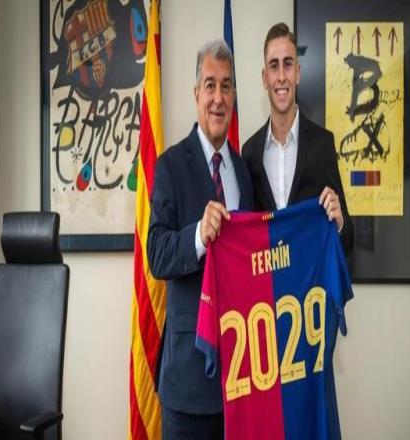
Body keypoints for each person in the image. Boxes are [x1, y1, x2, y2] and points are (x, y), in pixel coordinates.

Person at [147, 39, 253, 440]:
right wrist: (197, 236)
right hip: (187, 382)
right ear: (196, 94)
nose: (218, 98)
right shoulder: (170, 165)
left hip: (238, 378)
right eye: (210, 85)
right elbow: (157, 254)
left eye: (226, 86)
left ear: (234, 96)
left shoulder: (243, 171)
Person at [242, 22, 354, 256]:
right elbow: (248, 235)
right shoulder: (250, 152)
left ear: (298, 73)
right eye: (274, 66)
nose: (282, 76)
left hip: (312, 278)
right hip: (270, 280)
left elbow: (348, 240)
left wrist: (340, 222)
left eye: (288, 64)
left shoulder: (323, 144)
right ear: (264, 77)